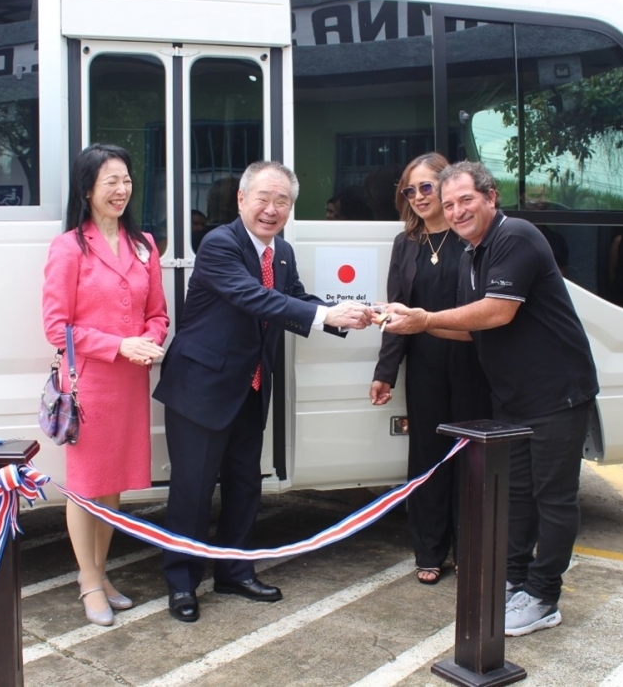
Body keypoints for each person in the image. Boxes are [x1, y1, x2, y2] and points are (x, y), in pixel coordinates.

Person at [383, 160, 598, 637]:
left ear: (490, 198)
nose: (457, 211)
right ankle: (514, 581)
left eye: (466, 200)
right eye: (450, 203)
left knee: (553, 499)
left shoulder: (514, 237)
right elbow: (471, 333)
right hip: (513, 396)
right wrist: (415, 323)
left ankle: (544, 597)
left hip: (556, 392)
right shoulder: (472, 251)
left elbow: (497, 313)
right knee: (517, 497)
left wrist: (423, 318)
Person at [153, 160, 372, 623]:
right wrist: (323, 317)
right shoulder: (219, 244)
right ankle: (181, 584)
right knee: (192, 492)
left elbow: (293, 297)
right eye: (264, 199)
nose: (272, 210)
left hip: (250, 387)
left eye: (283, 201)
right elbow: (257, 298)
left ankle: (234, 571)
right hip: (202, 387)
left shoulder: (283, 252)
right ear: (241, 200)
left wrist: (343, 312)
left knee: (244, 485)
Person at [42, 143, 169, 627]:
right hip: (89, 383)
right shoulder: (69, 247)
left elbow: (157, 314)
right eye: (110, 181)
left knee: (114, 485)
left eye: (126, 180)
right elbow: (58, 328)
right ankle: (89, 582)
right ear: (87, 189)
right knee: (86, 487)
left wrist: (150, 339)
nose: (121, 190)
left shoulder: (144, 244)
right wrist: (121, 346)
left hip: (130, 382)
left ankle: (100, 572)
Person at [369, 153, 491, 585]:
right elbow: (395, 312)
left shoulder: (473, 238)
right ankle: (430, 550)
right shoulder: (406, 244)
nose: (418, 197)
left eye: (426, 187)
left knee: (472, 458)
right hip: (424, 366)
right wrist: (386, 371)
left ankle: (471, 548)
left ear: (445, 188)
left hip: (473, 362)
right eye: (409, 190)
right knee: (427, 458)